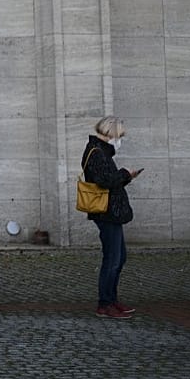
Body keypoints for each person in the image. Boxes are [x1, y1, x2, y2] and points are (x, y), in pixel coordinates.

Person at [83, 115, 140, 319]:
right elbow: (104, 181)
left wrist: (125, 177)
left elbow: (108, 181)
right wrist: (125, 174)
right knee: (112, 259)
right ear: (110, 133)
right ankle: (105, 303)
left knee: (119, 257)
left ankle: (111, 298)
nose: (120, 140)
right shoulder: (97, 153)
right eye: (119, 136)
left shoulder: (102, 152)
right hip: (106, 212)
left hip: (111, 212)